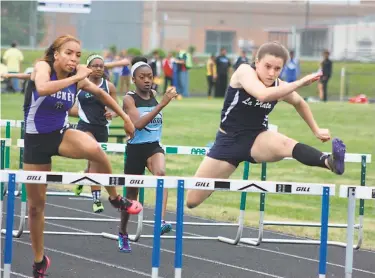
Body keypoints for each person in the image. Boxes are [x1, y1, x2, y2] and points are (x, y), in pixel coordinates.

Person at [23, 35, 142, 278]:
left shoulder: (78, 77)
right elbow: (43, 88)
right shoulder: (43, 67)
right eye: (69, 53)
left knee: (95, 150)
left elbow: (103, 95)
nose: (74, 58)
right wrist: (78, 76)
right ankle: (39, 261)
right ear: (56, 54)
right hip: (35, 141)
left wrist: (125, 117)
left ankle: (115, 197)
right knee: (36, 207)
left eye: (78, 55)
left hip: (60, 133)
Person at [185, 41, 346, 209]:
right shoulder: (244, 72)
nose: (271, 73)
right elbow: (262, 95)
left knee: (286, 144)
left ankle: (330, 162)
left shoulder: (280, 86)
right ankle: (216, 179)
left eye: (277, 69)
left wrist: (316, 130)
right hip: (228, 142)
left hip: (258, 139)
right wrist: (299, 83)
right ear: (257, 63)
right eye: (267, 66)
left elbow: (300, 103)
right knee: (192, 200)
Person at [119, 56, 178, 252]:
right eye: (142, 77)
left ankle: (160, 221)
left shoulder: (153, 93)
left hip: (153, 146)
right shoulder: (129, 98)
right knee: (131, 197)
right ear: (134, 79)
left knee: (161, 175)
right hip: (135, 149)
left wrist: (164, 97)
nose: (147, 80)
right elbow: (138, 124)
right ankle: (123, 231)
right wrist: (161, 105)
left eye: (150, 76)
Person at [72, 53, 119, 213]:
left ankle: (84, 176)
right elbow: (69, 105)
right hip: (84, 126)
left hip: (102, 128)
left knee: (95, 164)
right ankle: (96, 199)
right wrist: (77, 112)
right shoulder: (79, 84)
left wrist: (112, 113)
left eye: (101, 66)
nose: (98, 68)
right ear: (88, 67)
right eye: (95, 65)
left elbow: (116, 108)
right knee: (95, 157)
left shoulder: (109, 86)